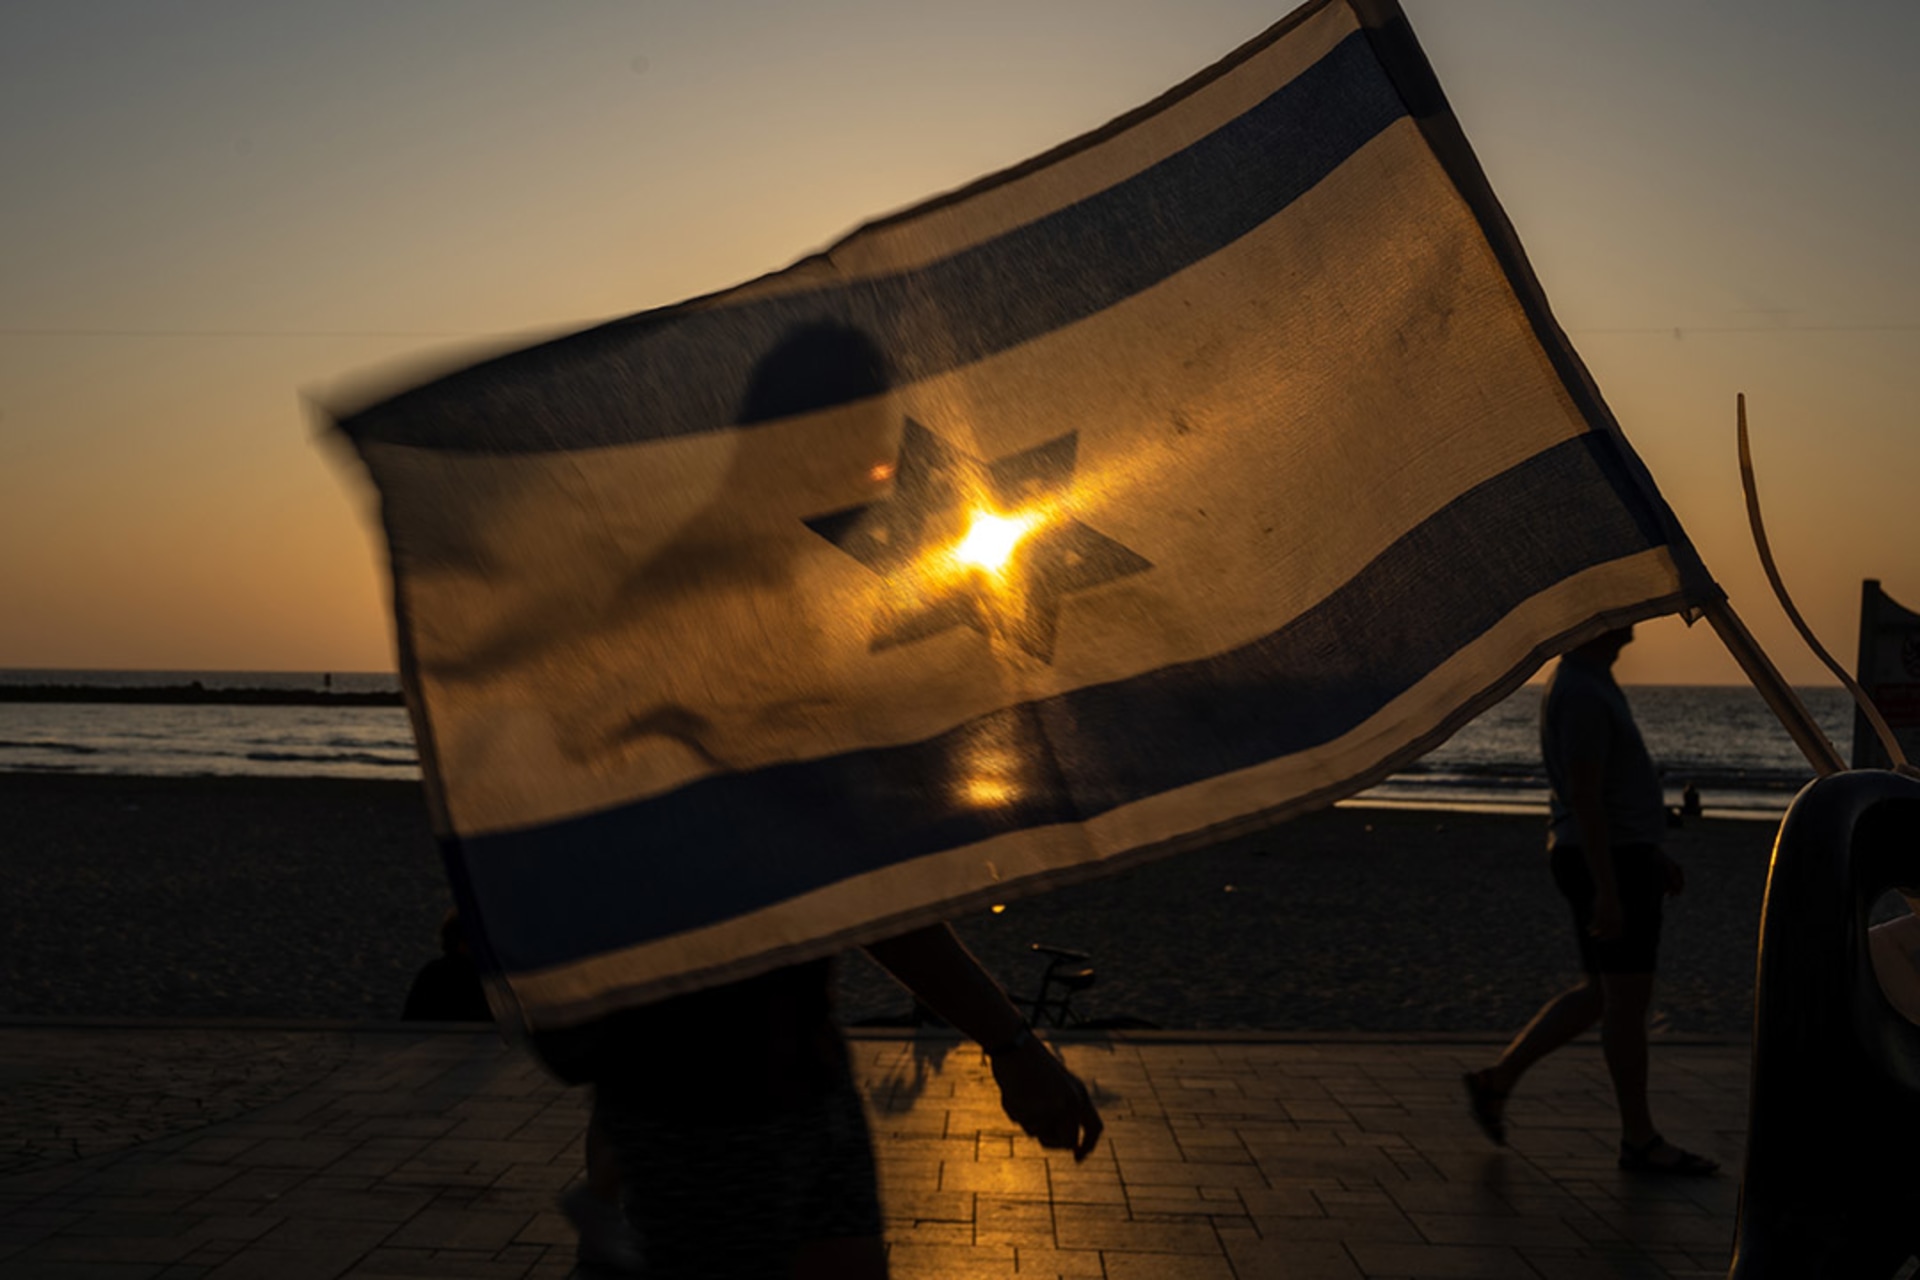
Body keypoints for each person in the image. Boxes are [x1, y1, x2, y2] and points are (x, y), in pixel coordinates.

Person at [532, 921, 1100, 1278]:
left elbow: (875, 898)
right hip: (712, 1104)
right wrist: (1011, 1043)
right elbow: (877, 900)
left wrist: (1012, 1044)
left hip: (810, 1073)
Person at [1462, 626, 1718, 1176]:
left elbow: (1611, 790)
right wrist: (1607, 887)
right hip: (1606, 862)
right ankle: (1639, 1139)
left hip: (1622, 857)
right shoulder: (1580, 689)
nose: (1635, 613)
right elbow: (1584, 794)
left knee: (1602, 993)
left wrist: (1651, 853)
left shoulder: (1591, 680)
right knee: (1625, 1002)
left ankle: (1496, 1081)